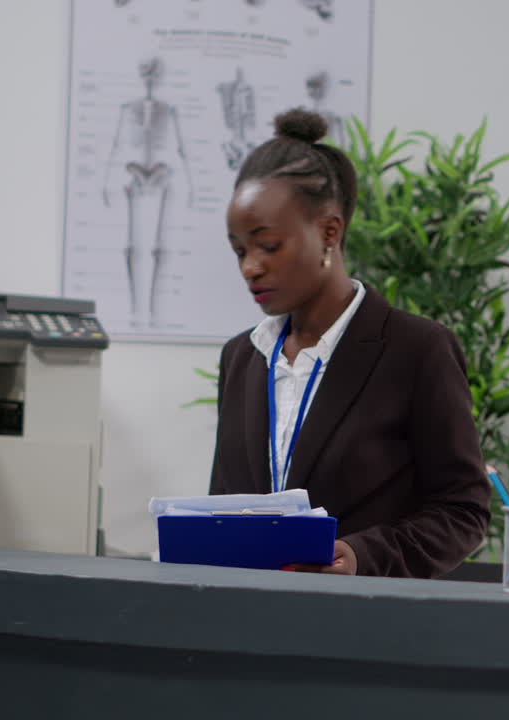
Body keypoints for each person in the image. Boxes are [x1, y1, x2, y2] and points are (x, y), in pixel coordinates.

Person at [209, 108, 490, 578]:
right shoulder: (241, 357)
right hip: (250, 614)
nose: (250, 267)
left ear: (329, 232)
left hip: (365, 615)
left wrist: (365, 556)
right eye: (239, 250)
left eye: (268, 246)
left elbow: (462, 512)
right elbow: (223, 503)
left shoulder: (417, 350)